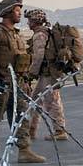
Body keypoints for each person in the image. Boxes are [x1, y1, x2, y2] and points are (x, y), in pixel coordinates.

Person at [0, 0, 44, 164]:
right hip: (1, 82)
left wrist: (26, 81)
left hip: (17, 83)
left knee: (21, 115)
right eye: (16, 10)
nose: (19, 14)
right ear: (7, 12)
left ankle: (24, 150)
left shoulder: (15, 34)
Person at [24, 9, 68, 141]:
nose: (28, 23)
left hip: (49, 74)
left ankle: (60, 131)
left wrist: (31, 73)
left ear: (34, 21)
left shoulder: (39, 35)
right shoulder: (46, 32)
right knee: (35, 100)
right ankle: (30, 130)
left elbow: (38, 57)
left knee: (51, 102)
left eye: (29, 20)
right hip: (48, 73)